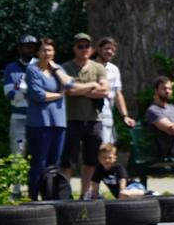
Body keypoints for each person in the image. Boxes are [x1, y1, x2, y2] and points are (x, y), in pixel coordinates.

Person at [60, 33, 110, 199]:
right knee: (67, 161)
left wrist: (81, 89)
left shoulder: (98, 68)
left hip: (93, 120)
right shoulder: (65, 68)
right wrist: (92, 86)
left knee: (90, 160)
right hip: (71, 119)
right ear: (74, 48)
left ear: (91, 49)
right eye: (80, 46)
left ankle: (85, 194)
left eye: (86, 46)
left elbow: (105, 91)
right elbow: (69, 90)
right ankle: (65, 194)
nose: (83, 50)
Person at [23, 36, 71, 201]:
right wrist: (59, 94)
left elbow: (70, 85)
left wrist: (56, 70)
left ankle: (51, 195)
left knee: (54, 163)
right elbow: (38, 95)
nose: (47, 53)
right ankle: (34, 197)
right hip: (40, 123)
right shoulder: (32, 70)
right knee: (39, 162)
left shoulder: (58, 69)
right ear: (37, 52)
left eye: (50, 50)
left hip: (58, 122)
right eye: (43, 50)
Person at [1, 33, 38, 158]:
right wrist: (30, 92)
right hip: (18, 117)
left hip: (38, 117)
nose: (30, 49)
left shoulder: (41, 66)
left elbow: (43, 92)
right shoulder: (11, 68)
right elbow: (9, 94)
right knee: (18, 153)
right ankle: (18, 178)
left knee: (38, 155)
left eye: (32, 46)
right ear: (19, 48)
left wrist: (22, 90)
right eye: (26, 46)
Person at [96, 36, 132, 147]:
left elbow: (118, 94)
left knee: (108, 147)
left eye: (113, 50)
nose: (110, 52)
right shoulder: (91, 66)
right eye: (107, 48)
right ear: (99, 49)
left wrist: (125, 116)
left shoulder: (114, 69)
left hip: (108, 115)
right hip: (93, 115)